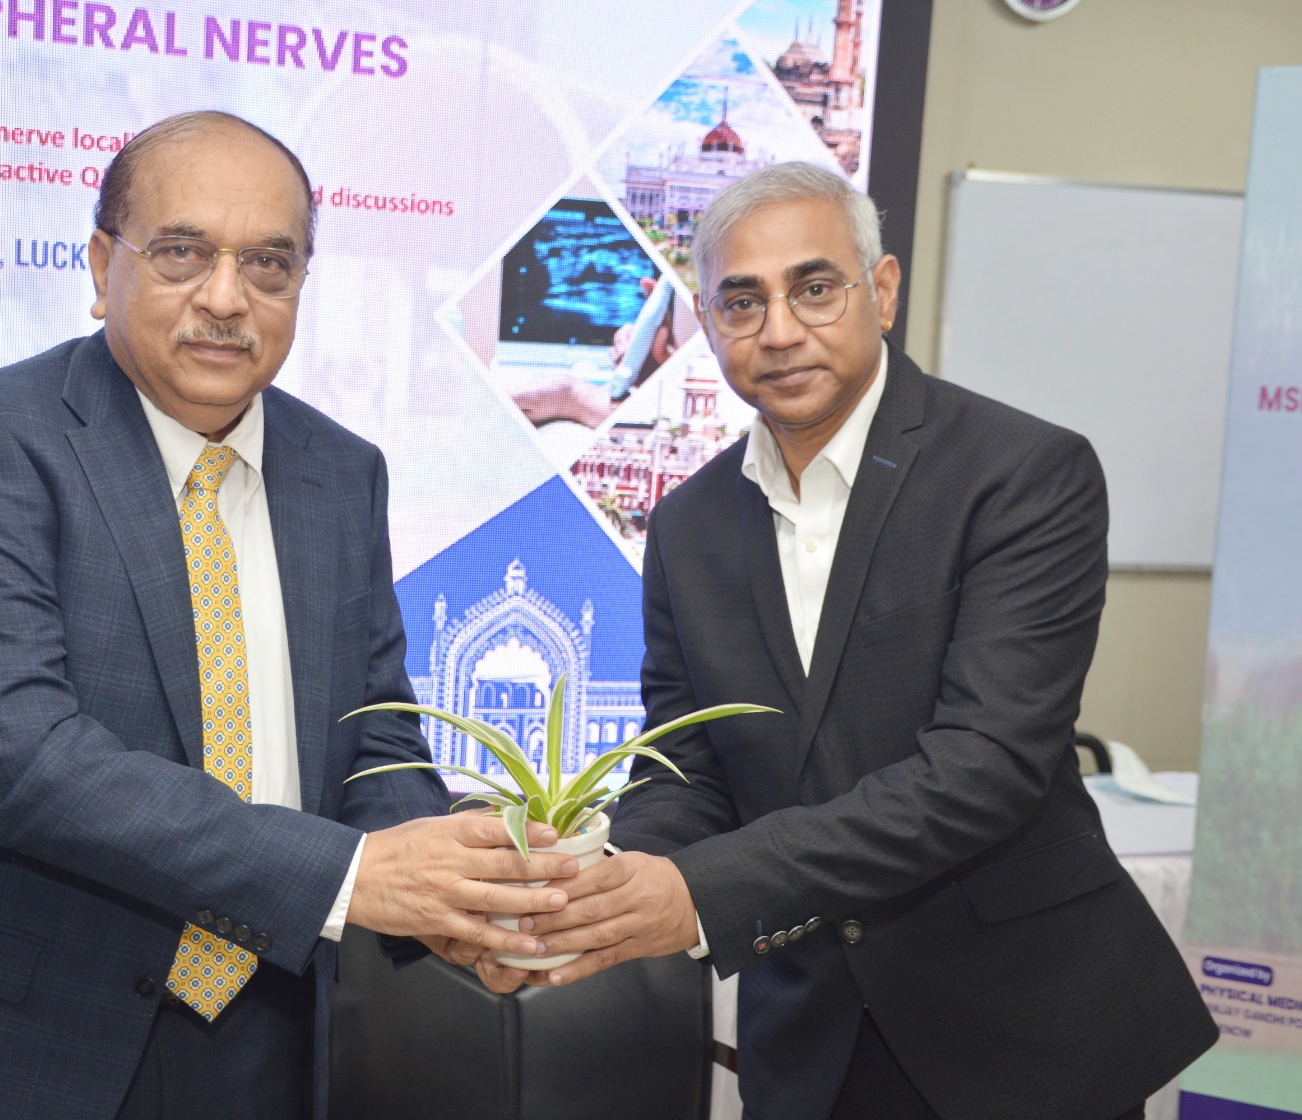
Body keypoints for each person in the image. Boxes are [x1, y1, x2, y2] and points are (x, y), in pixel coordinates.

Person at [0, 111, 574, 1120]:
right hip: (5, 1049)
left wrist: (455, 896)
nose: (226, 298)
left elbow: (372, 734)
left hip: (263, 1040)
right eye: (182, 253)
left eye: (268, 264)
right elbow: (24, 762)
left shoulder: (343, 472)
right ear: (100, 264)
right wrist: (352, 875)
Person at [505, 162, 1217, 1119]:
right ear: (706, 324)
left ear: (881, 291)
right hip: (811, 1044)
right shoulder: (688, 522)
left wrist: (697, 891)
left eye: (814, 288)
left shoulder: (1020, 474)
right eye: (741, 302)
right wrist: (602, 884)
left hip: (1022, 1034)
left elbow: (983, 769)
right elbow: (690, 769)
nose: (779, 330)